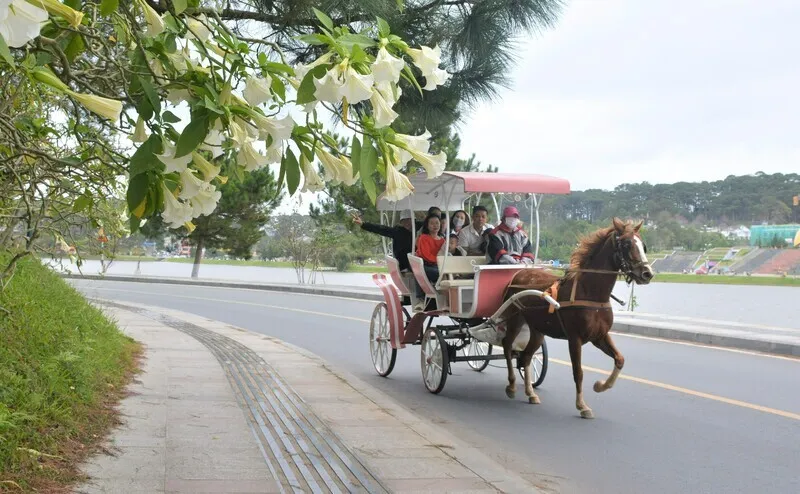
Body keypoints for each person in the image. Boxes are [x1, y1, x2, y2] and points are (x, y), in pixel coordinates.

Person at [414, 213, 445, 307]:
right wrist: (439, 262)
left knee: (445, 272)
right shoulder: (423, 238)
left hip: (438, 265)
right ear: (427, 225)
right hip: (425, 265)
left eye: (437, 223)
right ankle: (421, 297)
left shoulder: (443, 240)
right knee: (441, 273)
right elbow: (426, 255)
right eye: (432, 223)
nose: (435, 225)